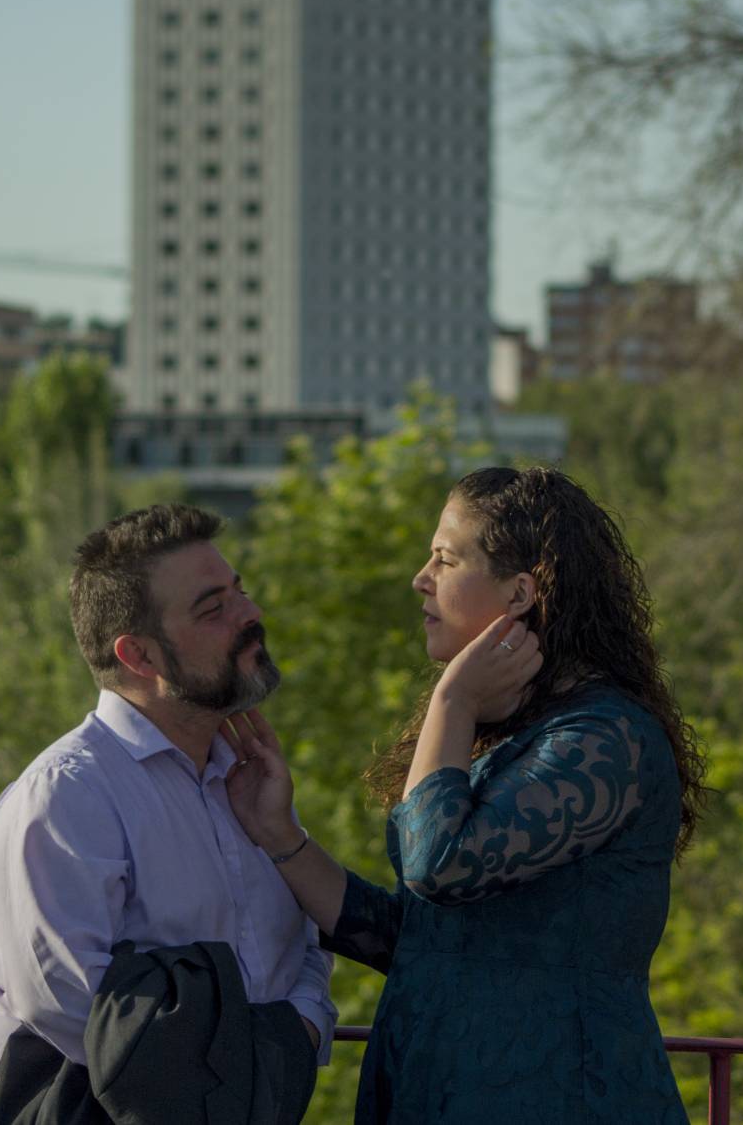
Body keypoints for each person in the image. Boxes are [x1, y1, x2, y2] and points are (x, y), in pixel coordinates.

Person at [223, 465, 704, 1125]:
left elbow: (437, 865)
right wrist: (279, 835)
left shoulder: (607, 741)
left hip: (558, 1097)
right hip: (441, 1087)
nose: (421, 578)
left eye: (445, 559)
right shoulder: (510, 730)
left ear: (519, 592)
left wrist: (453, 698)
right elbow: (423, 941)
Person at [0, 503, 335, 1121]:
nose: (251, 614)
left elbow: (303, 950)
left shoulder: (249, 785)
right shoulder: (65, 796)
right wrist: (256, 1060)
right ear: (139, 656)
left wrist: (303, 1032)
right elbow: (67, 1004)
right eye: (213, 608)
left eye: (239, 591)